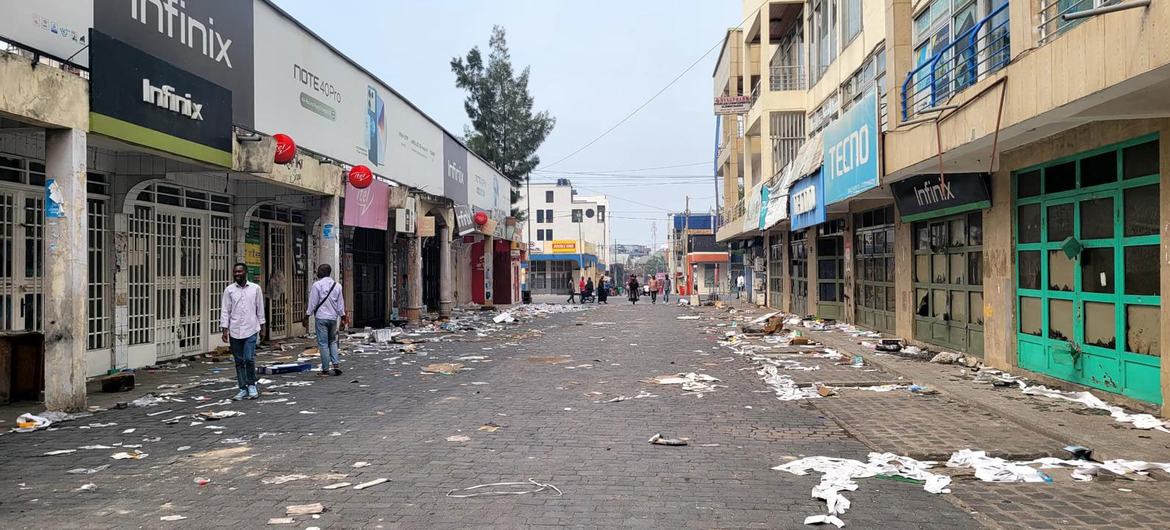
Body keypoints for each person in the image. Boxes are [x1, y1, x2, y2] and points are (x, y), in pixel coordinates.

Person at [220, 263, 265, 400]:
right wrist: (224, 329)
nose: (237, 274)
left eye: (240, 272)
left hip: (251, 328)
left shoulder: (255, 289)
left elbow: (260, 309)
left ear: (245, 272)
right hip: (235, 330)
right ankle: (242, 388)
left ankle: (251, 385)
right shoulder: (229, 290)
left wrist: (262, 328)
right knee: (239, 361)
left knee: (248, 359)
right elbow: (225, 310)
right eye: (235, 272)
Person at [304, 264, 348, 377]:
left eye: (319, 270)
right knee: (332, 341)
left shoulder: (317, 285)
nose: (317, 272)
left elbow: (313, 302)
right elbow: (340, 305)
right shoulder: (337, 286)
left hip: (321, 318)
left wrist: (307, 315)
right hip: (333, 318)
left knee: (323, 344)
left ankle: (325, 369)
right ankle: (336, 365)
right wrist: (343, 318)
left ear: (323, 272)